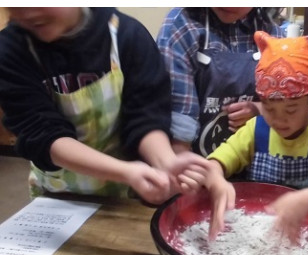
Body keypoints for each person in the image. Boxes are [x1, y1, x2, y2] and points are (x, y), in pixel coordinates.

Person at [0, 8, 211, 205]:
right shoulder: (10, 51)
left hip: (123, 197)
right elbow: (44, 134)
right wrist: (126, 171)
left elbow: (145, 118)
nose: (28, 10)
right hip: (58, 194)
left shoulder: (127, 36)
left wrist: (165, 162)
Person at [204, 31, 308, 241]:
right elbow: (213, 165)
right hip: (256, 228)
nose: (279, 120)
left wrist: (307, 199)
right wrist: (217, 181)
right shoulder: (255, 130)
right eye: (269, 108)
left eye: (291, 110)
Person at [156, 7, 283, 157]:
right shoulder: (181, 26)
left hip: (254, 163)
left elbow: (288, 108)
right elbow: (179, 126)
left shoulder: (272, 33)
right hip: (193, 157)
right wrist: (184, 167)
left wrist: (260, 109)